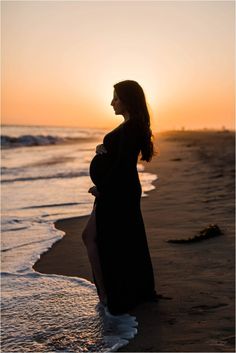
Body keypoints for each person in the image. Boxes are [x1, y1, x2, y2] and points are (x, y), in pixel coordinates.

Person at [82, 80, 157, 315]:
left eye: (115, 97)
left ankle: (109, 296)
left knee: (96, 238)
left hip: (117, 191)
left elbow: (124, 165)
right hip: (120, 189)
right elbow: (119, 157)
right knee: (122, 240)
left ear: (127, 99)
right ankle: (116, 293)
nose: (111, 102)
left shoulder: (132, 126)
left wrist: (103, 188)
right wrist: (101, 149)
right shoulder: (130, 125)